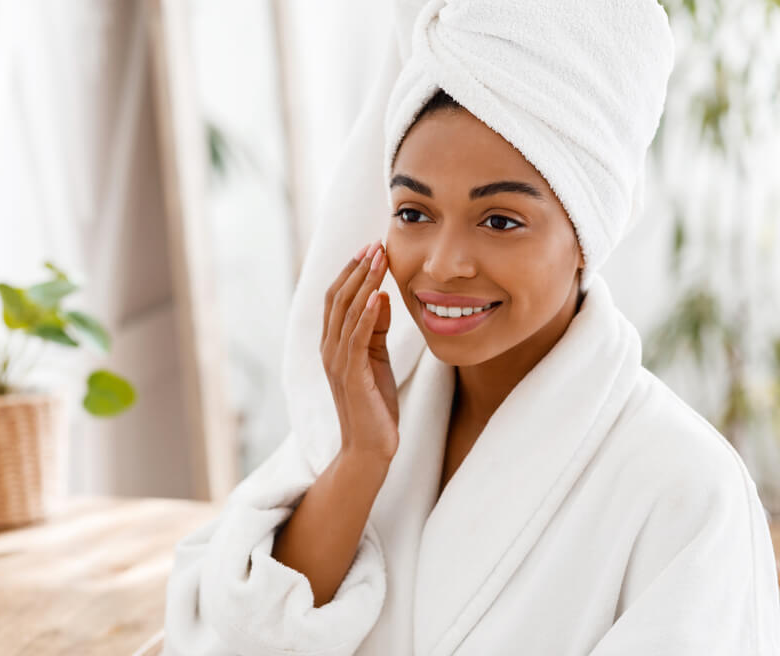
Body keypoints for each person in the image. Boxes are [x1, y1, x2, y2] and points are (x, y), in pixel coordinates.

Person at [161, 1, 780, 654]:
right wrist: (361, 458)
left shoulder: (687, 487)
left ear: (587, 236)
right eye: (414, 212)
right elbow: (234, 637)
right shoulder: (374, 414)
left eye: (500, 221)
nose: (442, 264)